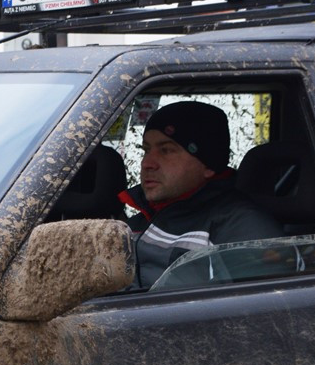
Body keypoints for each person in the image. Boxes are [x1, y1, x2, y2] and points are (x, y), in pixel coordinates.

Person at [120, 101, 282, 288]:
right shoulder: (140, 222)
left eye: (166, 150)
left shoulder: (242, 228)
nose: (147, 163)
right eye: (146, 150)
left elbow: (269, 303)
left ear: (208, 165)